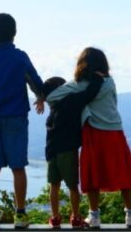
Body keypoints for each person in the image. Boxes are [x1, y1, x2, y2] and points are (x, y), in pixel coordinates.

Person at [0, 13, 45, 229]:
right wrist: (40, 95)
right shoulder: (19, 57)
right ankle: (20, 214)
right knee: (18, 167)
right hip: (16, 117)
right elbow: (34, 79)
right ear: (14, 32)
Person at [72, 47, 131, 229]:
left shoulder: (80, 85)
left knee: (93, 172)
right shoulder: (110, 82)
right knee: (123, 171)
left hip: (92, 132)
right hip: (113, 130)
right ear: (103, 64)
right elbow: (114, 103)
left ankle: (93, 216)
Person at [42, 73, 104, 229]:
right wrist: (96, 76)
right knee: (72, 186)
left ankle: (55, 218)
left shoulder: (53, 107)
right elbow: (89, 93)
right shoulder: (70, 101)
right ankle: (76, 217)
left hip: (51, 151)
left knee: (54, 186)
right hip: (67, 150)